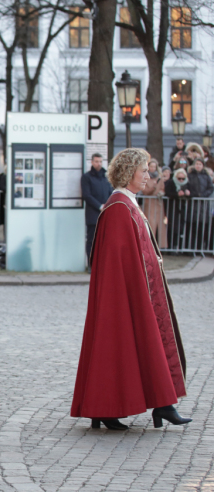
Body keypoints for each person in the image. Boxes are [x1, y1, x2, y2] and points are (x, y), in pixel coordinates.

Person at [71, 148, 191, 430]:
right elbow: (116, 261)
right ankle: (106, 407)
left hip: (142, 290)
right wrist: (133, 290)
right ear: (129, 174)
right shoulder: (118, 208)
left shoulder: (128, 204)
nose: (148, 175)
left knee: (147, 345)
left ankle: (163, 404)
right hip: (127, 294)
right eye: (143, 170)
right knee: (117, 346)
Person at [81, 154, 113, 266]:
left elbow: (110, 192)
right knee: (92, 240)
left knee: (105, 241)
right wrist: (100, 206)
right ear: (92, 162)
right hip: (93, 215)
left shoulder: (106, 177)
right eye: (96, 161)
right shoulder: (87, 177)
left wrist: (109, 205)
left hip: (106, 214)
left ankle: (103, 265)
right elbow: (87, 195)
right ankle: (92, 264)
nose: (98, 163)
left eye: (100, 161)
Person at [186, 158, 213, 249]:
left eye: (200, 164)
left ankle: (199, 248)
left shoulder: (206, 176)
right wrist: (193, 195)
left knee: (202, 227)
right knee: (192, 227)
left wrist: (202, 195)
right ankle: (190, 248)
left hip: (203, 205)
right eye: (196, 164)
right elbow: (187, 186)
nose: (198, 166)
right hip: (192, 205)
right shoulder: (189, 175)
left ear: (203, 166)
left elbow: (210, 188)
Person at [140, 161, 167, 249]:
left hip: (158, 204)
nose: (152, 168)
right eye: (151, 166)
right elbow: (145, 192)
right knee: (150, 225)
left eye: (154, 167)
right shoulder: (145, 178)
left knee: (160, 225)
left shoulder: (160, 178)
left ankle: (161, 246)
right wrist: (154, 187)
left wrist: (161, 192)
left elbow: (163, 188)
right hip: (149, 204)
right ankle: (149, 246)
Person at [164, 168, 192, 250]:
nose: (181, 180)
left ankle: (180, 248)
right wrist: (177, 194)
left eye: (182, 178)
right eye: (179, 178)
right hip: (172, 208)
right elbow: (168, 193)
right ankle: (171, 247)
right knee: (172, 228)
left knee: (181, 228)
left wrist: (188, 194)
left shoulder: (187, 183)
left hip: (183, 208)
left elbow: (193, 193)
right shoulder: (170, 182)